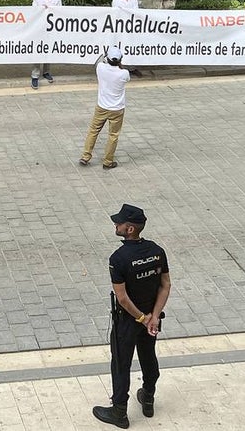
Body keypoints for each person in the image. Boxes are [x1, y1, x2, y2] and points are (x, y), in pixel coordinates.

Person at [91, 204, 171, 428]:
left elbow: (123, 298)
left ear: (130, 229)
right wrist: (153, 317)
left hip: (129, 320)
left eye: (119, 222)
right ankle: (148, 398)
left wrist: (141, 318)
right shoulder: (157, 251)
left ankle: (119, 413)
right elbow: (165, 285)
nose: (115, 224)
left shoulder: (118, 258)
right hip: (151, 318)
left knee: (121, 364)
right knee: (148, 356)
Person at [79, 47, 132, 170]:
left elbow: (98, 60)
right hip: (117, 109)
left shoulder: (101, 68)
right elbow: (126, 76)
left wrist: (104, 55)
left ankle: (86, 156)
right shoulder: (124, 74)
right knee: (113, 135)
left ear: (107, 58)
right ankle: (108, 161)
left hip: (102, 106)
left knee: (93, 131)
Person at [31, 0, 61, 88]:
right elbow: (33, 11)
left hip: (51, 28)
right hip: (39, 28)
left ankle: (46, 72)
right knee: (38, 50)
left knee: (48, 50)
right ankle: (35, 75)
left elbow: (60, 12)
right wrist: (41, 9)